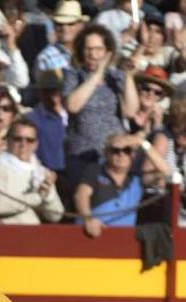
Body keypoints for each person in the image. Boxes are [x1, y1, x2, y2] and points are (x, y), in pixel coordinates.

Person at [63, 22, 139, 185]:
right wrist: (97, 75)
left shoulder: (115, 76)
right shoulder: (74, 75)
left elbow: (131, 111)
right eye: (88, 49)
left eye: (98, 49)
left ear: (107, 52)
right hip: (82, 155)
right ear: (81, 51)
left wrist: (129, 77)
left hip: (114, 155)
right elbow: (72, 106)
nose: (93, 54)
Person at [75, 130, 169, 235]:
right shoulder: (95, 170)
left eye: (127, 150)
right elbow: (81, 194)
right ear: (106, 153)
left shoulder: (137, 178)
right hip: (91, 235)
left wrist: (142, 143)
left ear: (132, 155)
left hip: (124, 240)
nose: (121, 154)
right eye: (116, 150)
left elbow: (167, 173)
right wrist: (88, 219)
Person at [0, 116, 64, 224]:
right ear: (8, 140)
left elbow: (56, 216)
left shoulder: (41, 172)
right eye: (18, 139)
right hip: (3, 236)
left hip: (34, 237)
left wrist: (48, 196)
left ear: (36, 144)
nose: (23, 144)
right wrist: (37, 197)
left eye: (30, 140)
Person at [34, 0, 87, 74]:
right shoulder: (46, 57)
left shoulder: (89, 51)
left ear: (81, 25)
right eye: (60, 24)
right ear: (54, 25)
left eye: (70, 23)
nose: (65, 27)